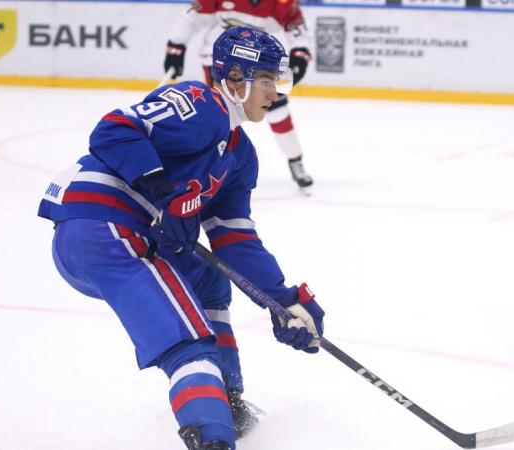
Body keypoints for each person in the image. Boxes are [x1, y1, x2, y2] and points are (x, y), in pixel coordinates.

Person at [38, 26, 325, 450]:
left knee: (210, 281)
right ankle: (213, 436)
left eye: (276, 81)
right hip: (102, 227)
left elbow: (233, 237)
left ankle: (225, 397)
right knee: (189, 343)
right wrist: (161, 192)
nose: (274, 92)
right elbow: (114, 129)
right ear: (235, 79)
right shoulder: (202, 103)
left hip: (128, 234)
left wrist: (280, 300)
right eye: (266, 80)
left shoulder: (240, 154)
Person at [164, 0, 314, 192]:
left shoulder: (281, 2)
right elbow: (190, 15)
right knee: (220, 116)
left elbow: (298, 29)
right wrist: (176, 46)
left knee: (277, 108)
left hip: (260, 62)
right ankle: (210, 170)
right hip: (220, 59)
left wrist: (300, 55)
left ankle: (295, 160)